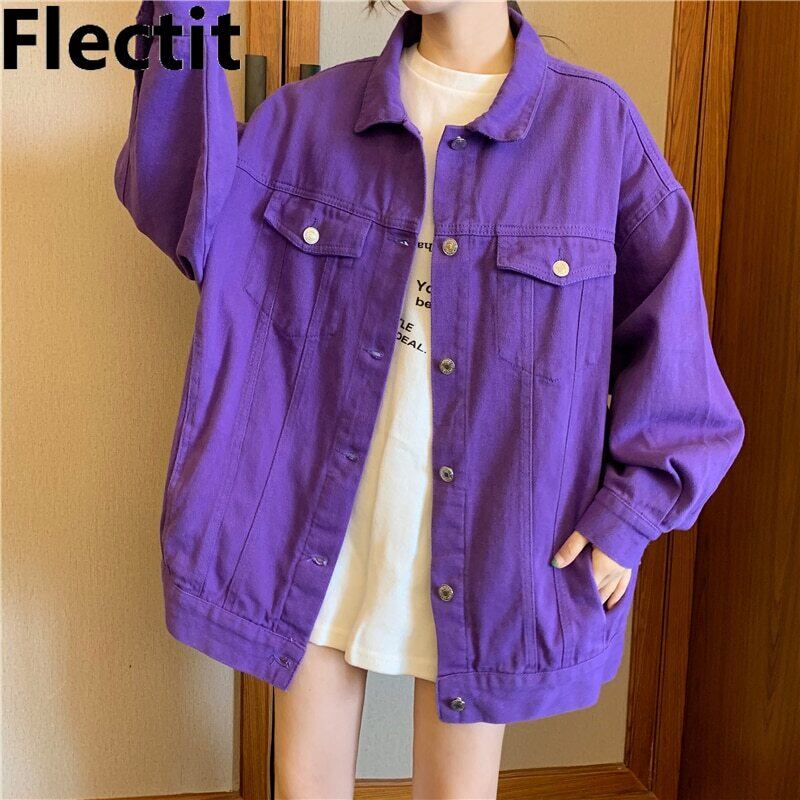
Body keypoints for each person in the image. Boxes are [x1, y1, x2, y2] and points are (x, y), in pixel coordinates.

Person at [114, 1, 745, 798]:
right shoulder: (306, 119)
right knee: (304, 783)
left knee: (457, 791)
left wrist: (632, 511)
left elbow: (674, 340)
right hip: (318, 525)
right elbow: (180, 200)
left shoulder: (595, 129)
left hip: (494, 539)